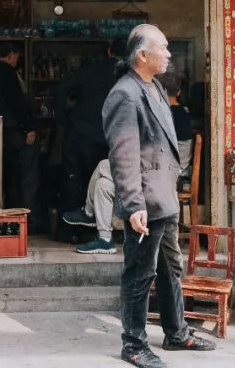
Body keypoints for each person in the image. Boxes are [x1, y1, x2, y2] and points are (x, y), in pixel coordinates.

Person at [103, 24, 214, 368]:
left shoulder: (155, 88)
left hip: (164, 198)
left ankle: (176, 332)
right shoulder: (125, 94)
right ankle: (134, 345)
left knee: (170, 269)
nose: (168, 54)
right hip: (145, 203)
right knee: (140, 273)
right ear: (142, 55)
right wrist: (132, 204)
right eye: (163, 48)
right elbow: (123, 155)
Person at [66, 72, 194, 254]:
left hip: (161, 175)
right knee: (103, 184)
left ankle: (88, 213)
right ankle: (104, 239)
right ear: (179, 92)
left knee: (104, 165)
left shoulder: (168, 114)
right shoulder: (177, 114)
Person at [55, 38, 125, 213]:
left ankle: (70, 229)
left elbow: (61, 88)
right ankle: (101, 229)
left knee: (73, 179)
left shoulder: (90, 70)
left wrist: (63, 118)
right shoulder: (129, 76)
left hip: (80, 133)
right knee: (105, 181)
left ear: (109, 51)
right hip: (109, 138)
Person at [0, 44, 41, 231]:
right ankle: (28, 220)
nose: (16, 60)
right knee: (27, 176)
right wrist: (29, 128)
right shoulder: (8, 72)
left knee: (9, 176)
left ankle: (11, 217)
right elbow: (16, 103)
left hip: (1, 131)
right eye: (16, 56)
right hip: (17, 131)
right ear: (10, 55)